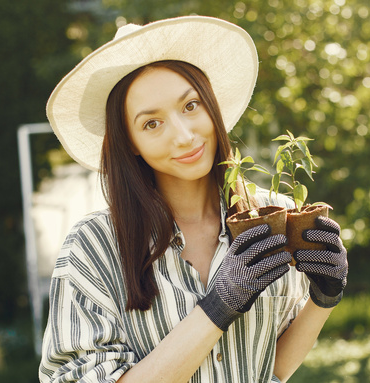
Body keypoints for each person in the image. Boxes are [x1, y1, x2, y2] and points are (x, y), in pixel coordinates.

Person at [39, 16, 348, 383]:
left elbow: (273, 368)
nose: (184, 136)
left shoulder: (273, 218)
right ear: (130, 144)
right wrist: (219, 306)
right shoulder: (94, 247)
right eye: (151, 124)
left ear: (211, 106)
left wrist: (322, 299)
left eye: (190, 106)